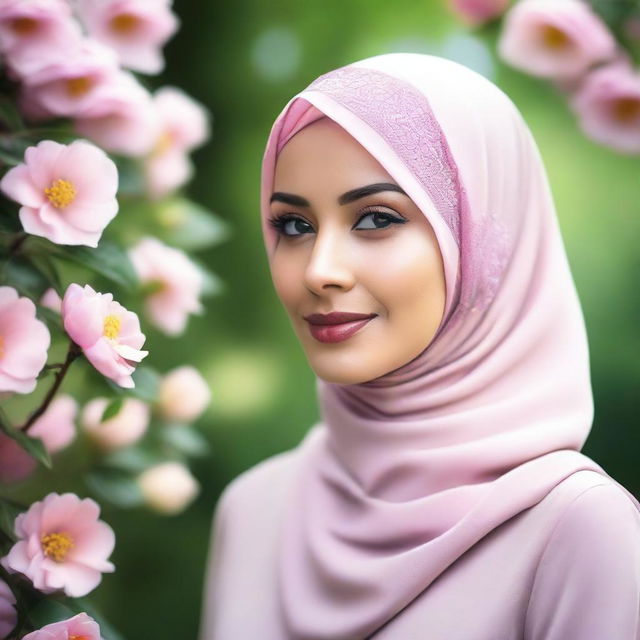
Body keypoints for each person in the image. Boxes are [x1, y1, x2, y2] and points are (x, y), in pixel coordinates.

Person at [198, 53, 640, 640]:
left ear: (479, 243)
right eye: (294, 226)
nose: (319, 271)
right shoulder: (253, 509)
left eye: (376, 218)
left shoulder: (576, 528)